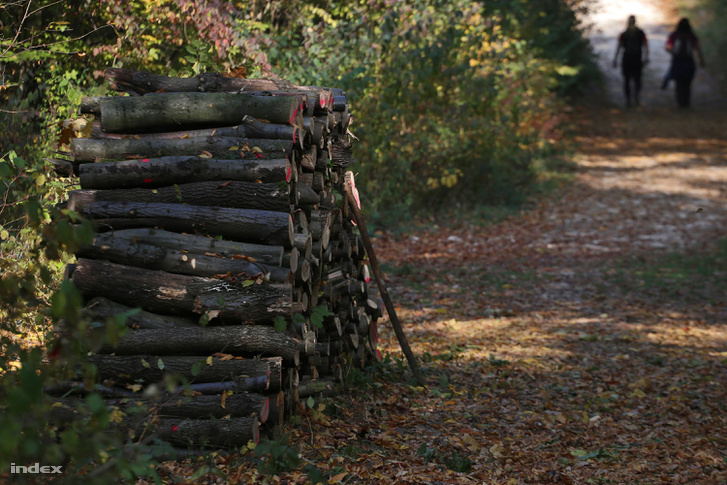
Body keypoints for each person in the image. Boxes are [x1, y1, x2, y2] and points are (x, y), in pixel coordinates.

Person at [665, 18, 705, 108]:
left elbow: (667, 47)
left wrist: (673, 52)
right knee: (687, 83)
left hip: (677, 62)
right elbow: (698, 50)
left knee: (679, 82)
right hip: (689, 62)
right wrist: (701, 61)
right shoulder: (691, 36)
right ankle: (686, 102)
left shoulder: (674, 35)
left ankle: (680, 101)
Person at [613, 15, 649, 107]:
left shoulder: (624, 33)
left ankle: (628, 100)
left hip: (627, 59)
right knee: (637, 80)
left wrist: (615, 59)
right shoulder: (640, 33)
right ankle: (636, 97)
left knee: (627, 80)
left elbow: (619, 47)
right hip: (637, 59)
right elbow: (646, 46)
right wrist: (646, 57)